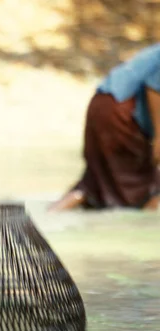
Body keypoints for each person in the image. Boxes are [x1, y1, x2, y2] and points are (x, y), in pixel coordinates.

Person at [50, 43, 160, 211]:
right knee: (146, 190)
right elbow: (154, 85)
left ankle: (54, 211)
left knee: (98, 180)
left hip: (102, 104)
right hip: (121, 114)